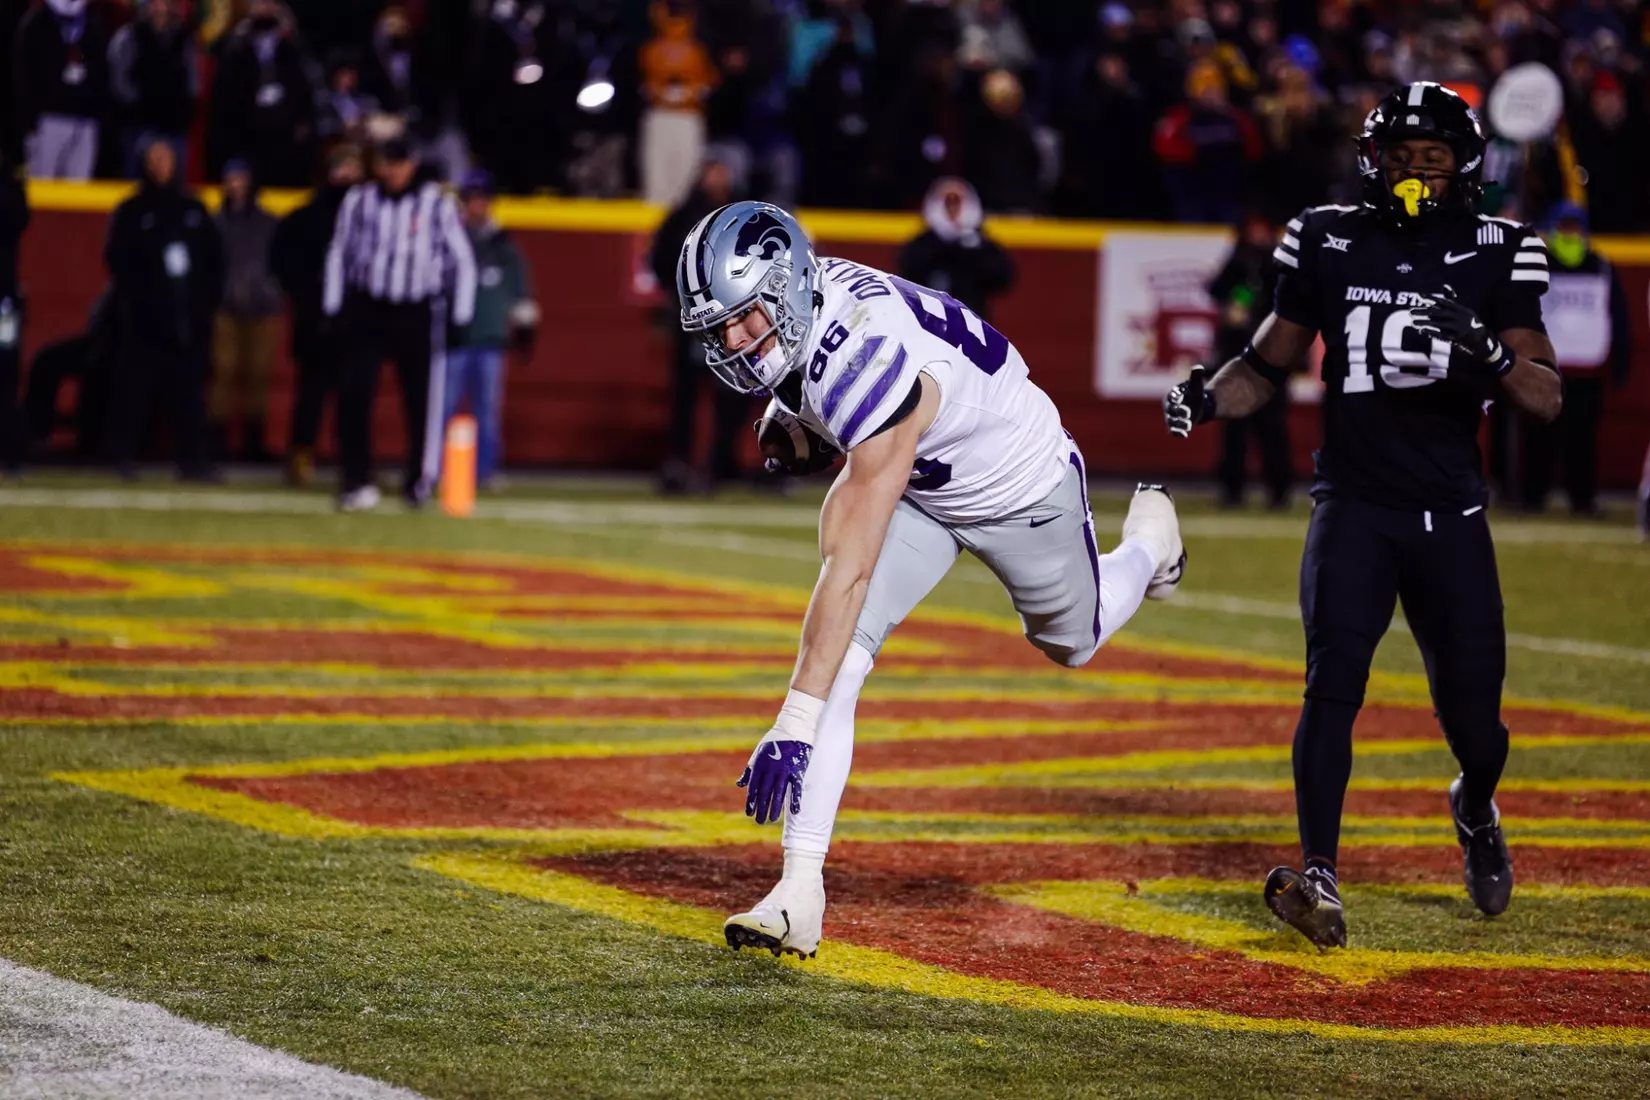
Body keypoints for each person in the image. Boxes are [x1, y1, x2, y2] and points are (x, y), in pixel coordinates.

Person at [676, 201, 1187, 958]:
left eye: (745, 318)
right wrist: (800, 418)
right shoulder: (818, 311)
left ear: (785, 287)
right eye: (719, 325)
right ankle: (799, 893)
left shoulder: (860, 360)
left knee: (1074, 641)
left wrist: (791, 720)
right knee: (843, 661)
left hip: (1017, 485)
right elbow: (838, 424)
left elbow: (845, 567)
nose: (732, 340)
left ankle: (1148, 542)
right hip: (923, 480)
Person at [1163, 83, 1562, 949]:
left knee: (1476, 726)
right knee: (1331, 687)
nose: (1416, 173)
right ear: (1372, 161)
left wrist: (1488, 350)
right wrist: (1205, 393)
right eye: (1400, 157)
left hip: (1451, 514)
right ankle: (1319, 874)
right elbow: (1264, 363)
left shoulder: (1502, 250)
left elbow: (1545, 395)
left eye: (1434, 159)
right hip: (1353, 504)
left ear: (1466, 168)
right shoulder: (1329, 236)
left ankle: (1475, 802)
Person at [323, 138, 476, 512]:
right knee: (355, 392)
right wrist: (333, 307)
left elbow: (463, 261)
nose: (394, 170)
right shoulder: (359, 200)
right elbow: (339, 252)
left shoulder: (436, 204)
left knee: (421, 400)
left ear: (412, 164)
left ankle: (419, 479)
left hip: (417, 308)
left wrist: (460, 316)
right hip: (369, 306)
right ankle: (356, 479)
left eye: (400, 163)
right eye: (388, 163)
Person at [104, 139, 223, 480]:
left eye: (166, 158)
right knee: (133, 393)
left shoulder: (193, 209)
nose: (161, 166)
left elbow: (215, 262)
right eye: (154, 159)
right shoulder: (132, 210)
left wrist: (202, 305)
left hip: (187, 319)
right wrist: (139, 301)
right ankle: (124, 457)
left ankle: (193, 460)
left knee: (188, 395)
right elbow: (117, 261)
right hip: (144, 320)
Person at [1520, 201, 1629, 515]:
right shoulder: (1537, 265)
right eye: (1564, 227)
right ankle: (1531, 498)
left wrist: (1620, 362)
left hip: (1587, 371)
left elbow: (1618, 317)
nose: (1570, 233)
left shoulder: (1603, 266)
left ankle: (1582, 500)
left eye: (1575, 227)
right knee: (1538, 439)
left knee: (1582, 443)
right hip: (1544, 369)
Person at [649, 157, 745, 493]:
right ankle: (681, 463)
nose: (719, 181)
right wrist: (680, 298)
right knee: (688, 397)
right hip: (694, 321)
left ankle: (720, 462)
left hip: (732, 321)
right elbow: (659, 259)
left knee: (732, 395)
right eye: (714, 174)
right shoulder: (683, 218)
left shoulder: (739, 214)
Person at [272, 143, 363, 486]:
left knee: (354, 398)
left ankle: (353, 463)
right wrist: (312, 296)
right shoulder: (304, 217)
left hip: (355, 324)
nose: (348, 176)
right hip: (314, 323)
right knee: (310, 396)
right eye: (342, 168)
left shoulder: (368, 217)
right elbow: (282, 264)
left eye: (354, 169)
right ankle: (300, 458)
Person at [443, 169, 536, 492]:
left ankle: (485, 471)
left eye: (482, 200)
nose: (477, 206)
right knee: (444, 406)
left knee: (487, 410)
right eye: (471, 200)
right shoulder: (450, 241)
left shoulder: (503, 245)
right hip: (455, 339)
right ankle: (437, 469)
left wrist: (525, 327)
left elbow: (520, 290)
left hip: (491, 340)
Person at [1207, 209, 1292, 509]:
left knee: (1272, 429)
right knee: (1234, 430)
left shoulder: (1279, 265)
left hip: (1271, 362)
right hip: (1235, 362)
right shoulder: (1236, 262)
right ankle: (1232, 491)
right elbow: (1215, 290)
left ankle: (1279, 492)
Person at [209, 159, 283, 464]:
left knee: (259, 375)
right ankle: (216, 442)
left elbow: (280, 263)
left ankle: (253, 442)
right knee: (222, 373)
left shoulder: (269, 223)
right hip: (225, 307)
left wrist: (270, 292)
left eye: (241, 178)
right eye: (231, 178)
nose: (236, 184)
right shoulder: (214, 222)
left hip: (263, 308)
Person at [207, 0, 318, 187]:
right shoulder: (234, 44)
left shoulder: (294, 43)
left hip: (286, 142)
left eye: (269, 2)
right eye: (259, 2)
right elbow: (224, 97)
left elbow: (308, 89)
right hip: (245, 139)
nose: (264, 7)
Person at [14, 0, 110, 179]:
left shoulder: (91, 22)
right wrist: (31, 120)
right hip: (48, 120)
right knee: (43, 187)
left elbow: (101, 72)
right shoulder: (37, 23)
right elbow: (24, 75)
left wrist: (96, 116)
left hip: (84, 122)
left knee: (79, 193)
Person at [897, 177, 1014, 323]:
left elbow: (1003, 278)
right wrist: (944, 245)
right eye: (948, 204)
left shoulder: (979, 242)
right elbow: (907, 274)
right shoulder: (923, 243)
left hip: (971, 322)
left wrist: (973, 248)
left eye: (957, 203)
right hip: (930, 321)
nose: (953, 210)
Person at [638, 1, 718, 206]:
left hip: (688, 117)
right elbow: (642, 82)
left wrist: (690, 93)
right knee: (656, 185)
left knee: (685, 185)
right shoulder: (650, 49)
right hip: (659, 116)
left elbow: (710, 82)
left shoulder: (700, 50)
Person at [107, 0, 197, 178]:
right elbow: (119, 83)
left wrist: (182, 109)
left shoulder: (184, 38)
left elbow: (192, 82)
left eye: (166, 3)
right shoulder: (129, 36)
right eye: (156, 3)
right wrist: (141, 104)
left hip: (174, 127)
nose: (161, 8)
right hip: (140, 127)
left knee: (174, 183)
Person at [0, 153, 25, 473]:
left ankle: (8, 452)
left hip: (2, 299)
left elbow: (18, 219)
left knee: (5, 371)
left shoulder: (9, 186)